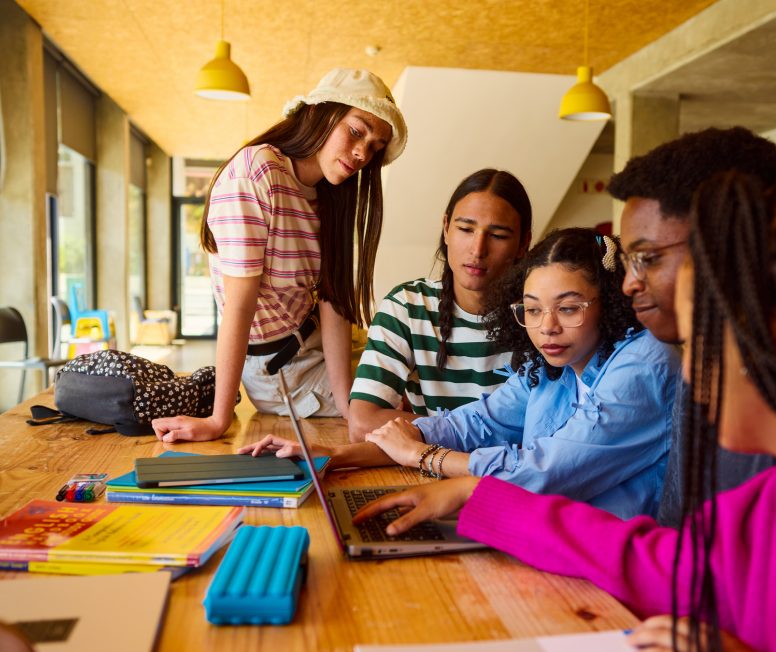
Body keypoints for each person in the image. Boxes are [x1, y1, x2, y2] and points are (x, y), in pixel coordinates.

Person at [355, 177, 776, 652]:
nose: (686, 367)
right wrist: (478, 498)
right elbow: (662, 564)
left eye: (695, 337)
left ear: (773, 338)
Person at [243, 228, 681, 519]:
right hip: (550, 538)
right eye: (531, 310)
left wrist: (421, 457)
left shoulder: (644, 365)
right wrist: (335, 457)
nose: (547, 326)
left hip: (615, 570)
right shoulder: (555, 364)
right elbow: (471, 424)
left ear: (610, 302)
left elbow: (542, 472)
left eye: (568, 308)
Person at [152, 68, 407, 443]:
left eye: (374, 146)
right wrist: (217, 419)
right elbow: (239, 308)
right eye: (356, 131)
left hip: (320, 345)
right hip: (283, 368)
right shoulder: (255, 175)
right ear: (320, 113)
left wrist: (348, 400)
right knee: (408, 403)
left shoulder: (328, 194)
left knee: (423, 382)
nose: (362, 153)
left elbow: (333, 303)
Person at [608, 126, 776, 527]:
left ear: (723, 243)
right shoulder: (704, 367)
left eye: (648, 258)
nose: (629, 283)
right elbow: (680, 541)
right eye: (627, 261)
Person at [346, 169, 532, 441]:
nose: (478, 249)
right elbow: (363, 423)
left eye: (498, 235)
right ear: (446, 229)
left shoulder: (540, 317)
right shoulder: (407, 308)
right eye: (466, 229)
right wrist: (484, 433)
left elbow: (545, 435)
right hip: (427, 469)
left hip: (508, 477)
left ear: (523, 244)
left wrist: (437, 430)